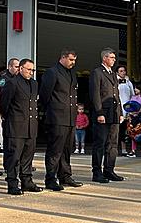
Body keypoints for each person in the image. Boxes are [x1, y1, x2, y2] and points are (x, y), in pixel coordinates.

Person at [39, 49, 82, 190]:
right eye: (71, 60)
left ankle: (65, 176)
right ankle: (50, 178)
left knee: (67, 149)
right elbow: (45, 95)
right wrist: (52, 110)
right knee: (55, 150)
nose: (73, 63)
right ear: (63, 57)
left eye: (74, 60)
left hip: (70, 117)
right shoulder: (52, 72)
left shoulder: (71, 73)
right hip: (57, 117)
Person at [0, 58, 40, 195]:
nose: (31, 72)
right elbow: (4, 104)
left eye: (32, 70)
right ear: (21, 68)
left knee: (28, 157)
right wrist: (10, 118)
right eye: (28, 69)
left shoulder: (34, 84)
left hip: (31, 126)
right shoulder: (12, 83)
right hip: (16, 126)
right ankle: (12, 183)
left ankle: (27, 181)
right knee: (14, 158)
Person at [90, 48, 124, 184]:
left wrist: (120, 112)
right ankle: (97, 172)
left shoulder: (113, 74)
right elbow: (95, 94)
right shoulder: (97, 72)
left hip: (114, 113)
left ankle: (109, 170)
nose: (114, 60)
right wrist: (99, 112)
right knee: (100, 143)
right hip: (103, 113)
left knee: (113, 144)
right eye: (111, 57)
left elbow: (117, 95)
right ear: (104, 58)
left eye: (114, 58)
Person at [0, 58, 20, 153]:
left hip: (12, 107)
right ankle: (1, 146)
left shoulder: (18, 78)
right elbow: (1, 92)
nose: (18, 69)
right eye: (16, 66)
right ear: (9, 67)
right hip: (1, 105)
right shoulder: (4, 78)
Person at [117, 66, 134, 156]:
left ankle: (124, 149)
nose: (123, 72)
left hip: (126, 109)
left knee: (125, 130)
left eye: (124, 71)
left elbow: (132, 95)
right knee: (116, 130)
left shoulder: (128, 82)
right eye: (121, 71)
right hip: (117, 109)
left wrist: (131, 110)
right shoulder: (115, 82)